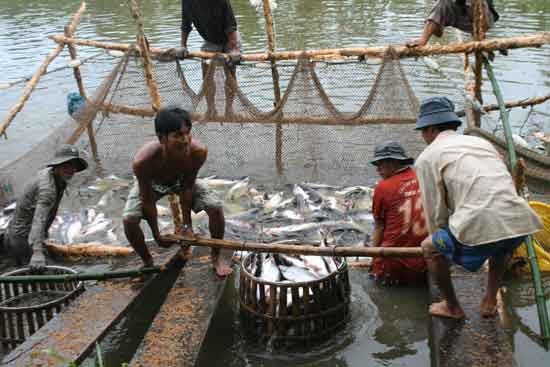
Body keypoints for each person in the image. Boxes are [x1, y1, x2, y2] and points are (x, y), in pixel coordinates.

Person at [414, 96, 542, 319]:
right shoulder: (482, 143)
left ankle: (452, 307)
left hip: (483, 221)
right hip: (520, 219)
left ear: (431, 129)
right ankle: (490, 301)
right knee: (502, 246)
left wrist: (441, 242)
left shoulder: (427, 157)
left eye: (423, 131)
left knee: (430, 248)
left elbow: (435, 213)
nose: (424, 136)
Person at [122, 107, 232, 277]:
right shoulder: (143, 162)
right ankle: (147, 262)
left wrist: (186, 226)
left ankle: (216, 257)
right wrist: (157, 235)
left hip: (181, 181)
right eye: (178, 136)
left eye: (188, 133)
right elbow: (148, 201)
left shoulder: (198, 152)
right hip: (153, 184)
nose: (185, 140)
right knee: (129, 220)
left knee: (215, 207)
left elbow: (187, 188)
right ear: (162, 138)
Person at [2, 145, 88, 268]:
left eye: (73, 165)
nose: (70, 169)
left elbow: (49, 213)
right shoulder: (47, 189)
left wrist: (44, 237)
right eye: (66, 165)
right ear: (56, 166)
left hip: (21, 235)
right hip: (22, 239)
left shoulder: (56, 177)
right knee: (50, 275)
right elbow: (39, 219)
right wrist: (37, 252)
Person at [369, 141, 428, 285]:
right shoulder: (423, 178)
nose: (378, 170)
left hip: (392, 262)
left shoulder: (383, 187)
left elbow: (379, 227)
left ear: (392, 163)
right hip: (424, 259)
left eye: (380, 165)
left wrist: (373, 258)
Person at [407, 0, 499, 47]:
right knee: (442, 2)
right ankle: (423, 40)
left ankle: (479, 40)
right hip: (462, 15)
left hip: (483, 18)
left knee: (476, 2)